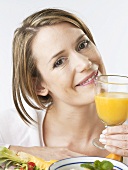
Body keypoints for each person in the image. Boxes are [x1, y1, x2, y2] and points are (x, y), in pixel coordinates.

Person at [0, 8, 128, 164]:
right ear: (38, 86)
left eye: (82, 44)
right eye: (59, 62)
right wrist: (24, 152)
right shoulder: (10, 128)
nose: (84, 63)